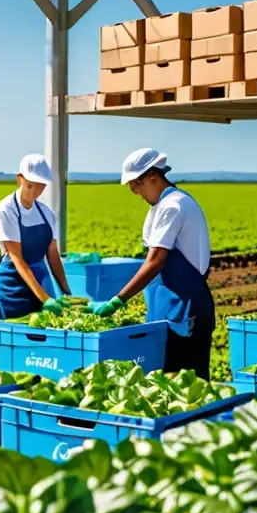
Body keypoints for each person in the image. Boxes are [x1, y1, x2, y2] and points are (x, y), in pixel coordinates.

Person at [91, 148, 213, 378]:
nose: (135, 192)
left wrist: (118, 300)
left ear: (152, 177)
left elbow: (155, 262)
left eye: (136, 185)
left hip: (183, 310)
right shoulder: (160, 206)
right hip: (165, 309)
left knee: (187, 386)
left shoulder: (173, 206)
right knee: (164, 383)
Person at [0, 154, 71, 320]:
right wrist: (46, 299)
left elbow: (53, 256)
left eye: (40, 187)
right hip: (11, 289)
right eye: (30, 186)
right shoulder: (6, 210)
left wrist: (67, 293)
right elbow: (17, 258)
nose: (35, 192)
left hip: (40, 282)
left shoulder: (46, 213)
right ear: (19, 179)